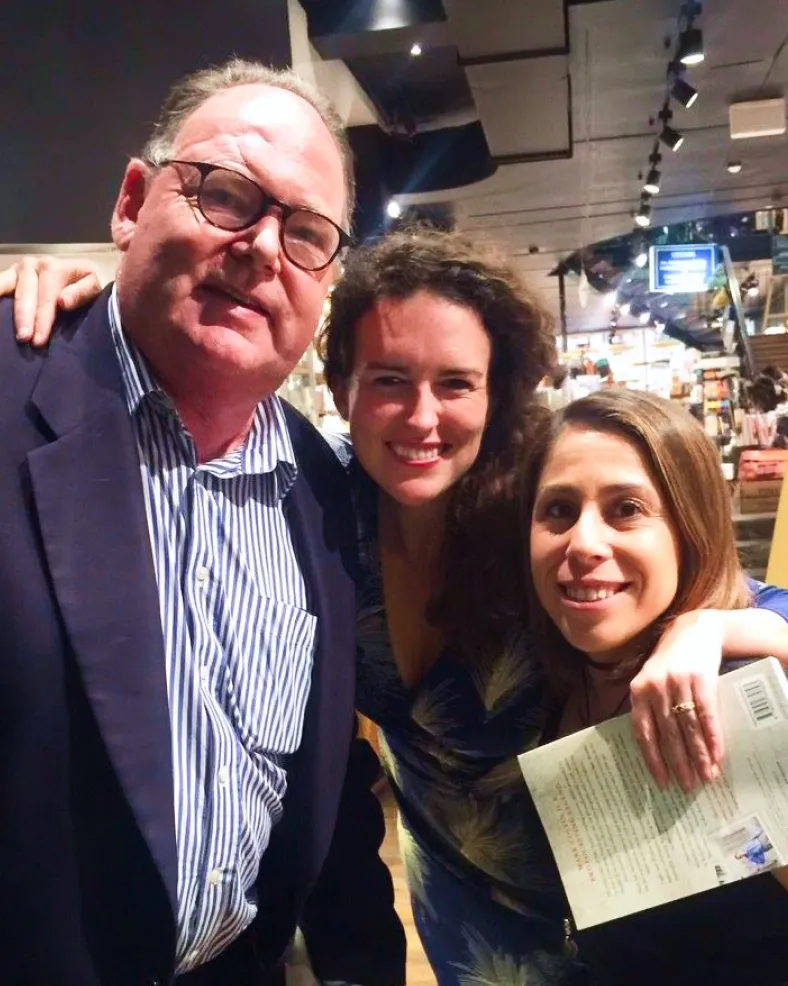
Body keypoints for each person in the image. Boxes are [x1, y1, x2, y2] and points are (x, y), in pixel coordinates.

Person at [10, 227, 788, 986]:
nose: (422, 417)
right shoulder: (314, 507)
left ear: (497, 395)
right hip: (460, 921)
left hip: (620, 908)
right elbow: (171, 447)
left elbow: (723, 594)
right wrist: (83, 325)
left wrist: (709, 627)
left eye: (455, 383)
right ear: (341, 387)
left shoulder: (535, 518)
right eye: (389, 380)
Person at [0, 58, 406, 986]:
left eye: (307, 233)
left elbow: (319, 780)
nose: (263, 248)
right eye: (225, 195)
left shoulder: (320, 486)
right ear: (131, 203)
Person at [526, 388, 788, 986]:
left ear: (689, 529)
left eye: (627, 509)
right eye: (559, 510)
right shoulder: (550, 674)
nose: (583, 543)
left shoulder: (735, 698)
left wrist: (717, 628)